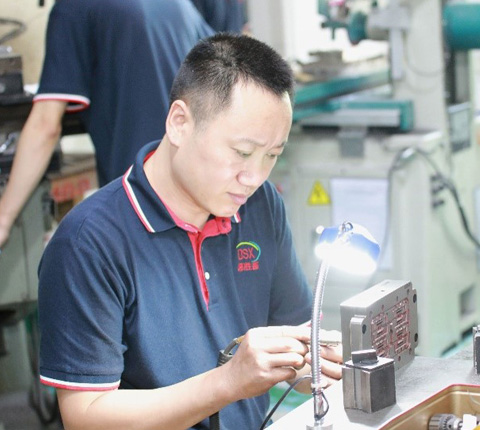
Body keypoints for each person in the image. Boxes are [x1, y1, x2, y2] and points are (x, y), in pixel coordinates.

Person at [37, 33, 342, 430]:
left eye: (272, 155)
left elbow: (301, 357)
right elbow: (86, 417)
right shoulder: (89, 243)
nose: (254, 177)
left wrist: (326, 362)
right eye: (243, 152)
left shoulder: (261, 205)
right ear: (180, 123)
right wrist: (227, 382)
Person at [0, 0, 214, 248]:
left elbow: (45, 125)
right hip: (202, 199)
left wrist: (4, 218)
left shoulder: (73, 7)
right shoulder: (179, 5)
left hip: (142, 207)